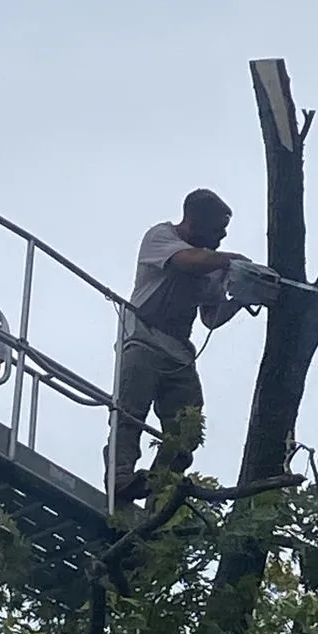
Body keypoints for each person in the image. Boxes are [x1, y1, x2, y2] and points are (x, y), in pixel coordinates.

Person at [104, 189, 251, 505]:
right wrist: (234, 262)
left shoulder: (212, 265)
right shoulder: (162, 237)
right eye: (216, 231)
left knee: (187, 429)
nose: (220, 240)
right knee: (129, 415)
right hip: (143, 338)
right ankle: (120, 480)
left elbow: (211, 317)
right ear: (194, 220)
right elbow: (187, 261)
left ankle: (159, 492)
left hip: (180, 354)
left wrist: (242, 297)